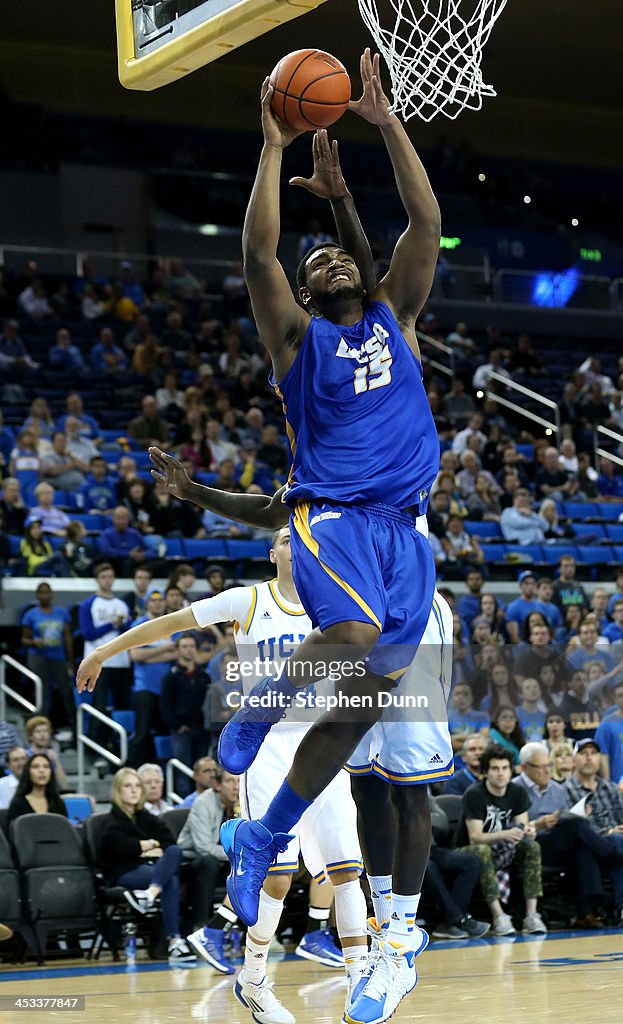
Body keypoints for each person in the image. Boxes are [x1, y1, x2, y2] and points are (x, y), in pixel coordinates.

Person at [96, 767, 195, 963]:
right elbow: (119, 849)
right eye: (127, 786)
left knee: (175, 853)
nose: (134, 791)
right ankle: (174, 940)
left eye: (137, 786)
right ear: (118, 790)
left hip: (153, 870)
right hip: (125, 872)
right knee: (171, 880)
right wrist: (148, 845)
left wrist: (148, 847)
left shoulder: (149, 819)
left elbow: (169, 844)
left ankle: (150, 894)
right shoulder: (110, 821)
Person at [459, 744, 546, 936]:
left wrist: (528, 832)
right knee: (483, 850)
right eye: (495, 768)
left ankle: (532, 915)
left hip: (504, 849)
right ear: (485, 772)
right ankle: (499, 917)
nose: (501, 773)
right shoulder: (475, 794)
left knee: (532, 846)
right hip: (467, 851)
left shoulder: (517, 792)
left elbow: (522, 826)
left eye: (505, 768)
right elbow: (475, 838)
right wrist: (505, 834)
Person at [178, 767, 241, 966]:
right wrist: (239, 855)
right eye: (230, 781)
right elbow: (203, 847)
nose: (236, 787)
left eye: (239, 781)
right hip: (191, 860)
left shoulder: (243, 803)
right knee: (209, 863)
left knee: (253, 869)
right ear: (217, 785)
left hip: (224, 860)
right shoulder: (203, 803)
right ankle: (202, 926)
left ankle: (255, 934)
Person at [21, 582, 75, 739]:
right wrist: (34, 642)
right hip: (38, 656)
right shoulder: (31, 615)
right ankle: (40, 730)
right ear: (37, 595)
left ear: (52, 594)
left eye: (48, 592)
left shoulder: (61, 612)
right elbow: (24, 639)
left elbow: (67, 637)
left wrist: (70, 661)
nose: (45, 595)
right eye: (42, 593)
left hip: (58, 656)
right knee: (42, 692)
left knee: (66, 692)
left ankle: (71, 728)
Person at [159, 636, 210, 794]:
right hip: (181, 730)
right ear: (178, 650)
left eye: (192, 646)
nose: (189, 649)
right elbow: (165, 705)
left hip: (202, 730)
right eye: (185, 646)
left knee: (203, 770)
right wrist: (177, 726)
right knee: (182, 769)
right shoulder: (170, 677)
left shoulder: (204, 676)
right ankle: (183, 803)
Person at [6, 753, 67, 828]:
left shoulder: (58, 802)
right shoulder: (18, 803)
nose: (42, 770)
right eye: (36, 767)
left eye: (46, 766)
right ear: (28, 772)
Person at [24, 716, 67, 790]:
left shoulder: (53, 756)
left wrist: (56, 762)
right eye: (38, 731)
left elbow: (63, 785)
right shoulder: (24, 755)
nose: (42, 735)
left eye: (45, 731)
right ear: (30, 736)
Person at [594, 681, 623, 784]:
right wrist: (608, 785)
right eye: (620, 695)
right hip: (618, 785)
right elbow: (603, 755)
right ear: (614, 699)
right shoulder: (606, 724)